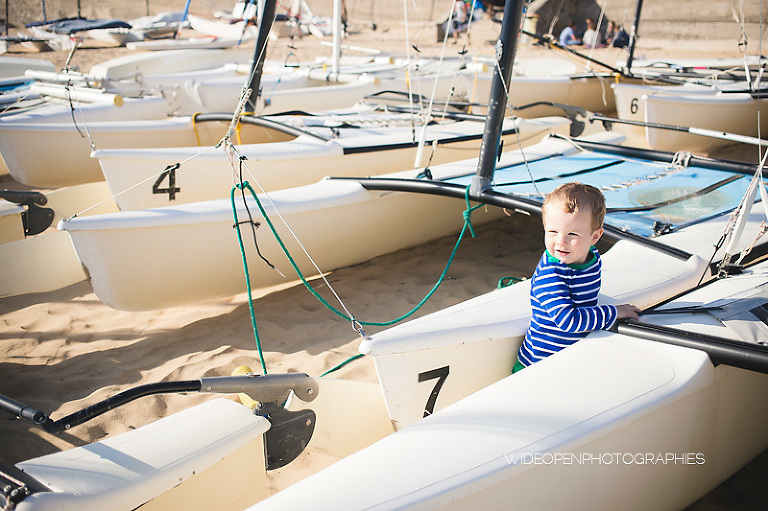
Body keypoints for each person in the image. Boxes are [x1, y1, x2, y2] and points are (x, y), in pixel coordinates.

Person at [512, 182, 641, 373]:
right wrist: (613, 312)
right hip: (539, 364)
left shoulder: (592, 257)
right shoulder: (551, 275)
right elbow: (568, 321)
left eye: (572, 234)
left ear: (594, 237)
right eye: (553, 232)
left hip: (569, 355)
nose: (560, 242)